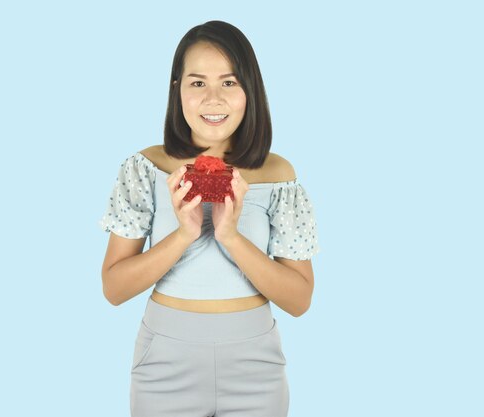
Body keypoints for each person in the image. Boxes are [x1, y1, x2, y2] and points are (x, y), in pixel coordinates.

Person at [99, 20, 320, 417]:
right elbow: (113, 289)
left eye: (230, 83)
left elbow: (300, 300)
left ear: (250, 90)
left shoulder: (279, 175)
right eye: (198, 83)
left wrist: (231, 236)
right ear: (177, 90)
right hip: (164, 360)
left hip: (256, 365)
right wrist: (183, 234)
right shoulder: (145, 167)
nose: (213, 98)